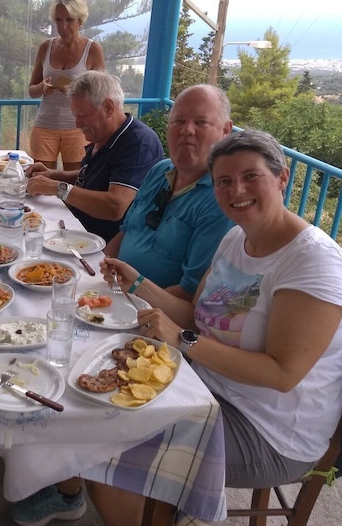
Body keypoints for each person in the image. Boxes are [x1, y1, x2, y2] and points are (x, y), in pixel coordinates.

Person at [91, 129, 342, 525]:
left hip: (269, 430)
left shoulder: (313, 262)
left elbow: (282, 374)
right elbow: (195, 314)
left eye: (250, 176)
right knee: (94, 407)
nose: (235, 190)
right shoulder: (234, 239)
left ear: (281, 178)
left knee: (104, 452)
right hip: (204, 386)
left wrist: (183, 342)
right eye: (224, 181)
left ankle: (167, 509)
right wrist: (137, 283)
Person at [103, 84, 235, 300]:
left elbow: (190, 292)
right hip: (113, 292)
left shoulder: (220, 199)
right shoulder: (160, 170)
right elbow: (125, 232)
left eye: (201, 122)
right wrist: (92, 274)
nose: (186, 130)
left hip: (152, 315)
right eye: (179, 121)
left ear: (225, 131)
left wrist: (125, 302)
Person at [25, 70, 164, 242]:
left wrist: (57, 188)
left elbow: (115, 206)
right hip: (77, 229)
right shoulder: (104, 134)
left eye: (83, 115)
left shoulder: (138, 143)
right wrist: (53, 175)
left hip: (102, 246)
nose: (77, 124)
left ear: (108, 107)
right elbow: (94, 175)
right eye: (75, 116)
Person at [28, 0, 105, 171]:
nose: (63, 26)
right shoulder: (46, 47)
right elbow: (31, 90)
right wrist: (41, 87)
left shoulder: (92, 49)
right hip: (44, 125)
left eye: (69, 20)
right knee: (40, 183)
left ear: (80, 20)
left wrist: (76, 90)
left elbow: (102, 93)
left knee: (77, 184)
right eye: (58, 20)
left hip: (78, 128)